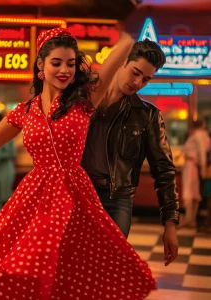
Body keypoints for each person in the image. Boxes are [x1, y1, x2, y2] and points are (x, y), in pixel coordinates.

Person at [0, 28, 156, 300]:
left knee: (73, 274)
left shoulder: (85, 99)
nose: (65, 70)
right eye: (56, 63)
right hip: (35, 199)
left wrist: (125, 32)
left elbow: (119, 50)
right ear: (40, 65)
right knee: (23, 266)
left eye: (71, 63)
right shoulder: (24, 110)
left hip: (75, 199)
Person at [82, 39, 179, 265]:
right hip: (77, 192)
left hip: (117, 199)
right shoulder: (82, 99)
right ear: (122, 61)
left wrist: (170, 225)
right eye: (135, 73)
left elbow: (164, 170)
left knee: (107, 267)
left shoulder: (147, 116)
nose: (138, 83)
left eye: (146, 79)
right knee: (73, 266)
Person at [178, 119, 210, 228]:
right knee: (194, 192)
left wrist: (203, 169)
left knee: (189, 191)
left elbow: (201, 152)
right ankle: (191, 219)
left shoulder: (197, 135)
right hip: (194, 166)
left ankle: (189, 219)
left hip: (191, 166)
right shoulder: (204, 135)